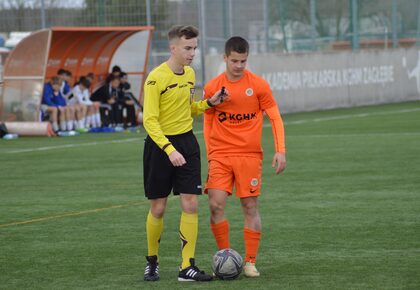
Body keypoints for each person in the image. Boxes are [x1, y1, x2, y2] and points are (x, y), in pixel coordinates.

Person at [142, 25, 224, 282]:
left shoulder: (190, 74)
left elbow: (188, 110)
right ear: (173, 48)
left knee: (191, 203)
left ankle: (187, 266)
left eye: (195, 48)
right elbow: (150, 120)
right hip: (160, 146)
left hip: (187, 144)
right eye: (187, 48)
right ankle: (152, 262)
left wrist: (208, 104)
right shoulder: (156, 78)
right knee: (158, 208)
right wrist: (168, 150)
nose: (192, 53)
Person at [203, 36, 287, 278]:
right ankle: (225, 257)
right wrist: (211, 153)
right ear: (225, 58)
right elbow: (208, 120)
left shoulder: (258, 85)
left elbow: (275, 117)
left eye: (243, 61)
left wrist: (280, 150)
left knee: (249, 206)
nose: (239, 65)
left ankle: (250, 262)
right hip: (220, 155)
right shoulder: (213, 87)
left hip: (249, 155)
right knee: (215, 204)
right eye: (235, 61)